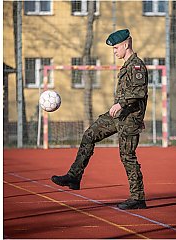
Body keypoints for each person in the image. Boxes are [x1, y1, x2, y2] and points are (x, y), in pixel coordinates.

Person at [51, 29, 148, 210]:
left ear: (126, 45)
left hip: (129, 119)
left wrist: (121, 104)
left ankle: (138, 198)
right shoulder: (126, 65)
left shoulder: (137, 66)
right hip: (119, 115)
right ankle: (74, 176)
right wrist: (121, 107)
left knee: (127, 156)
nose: (114, 51)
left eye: (116, 48)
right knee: (89, 134)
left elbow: (139, 92)